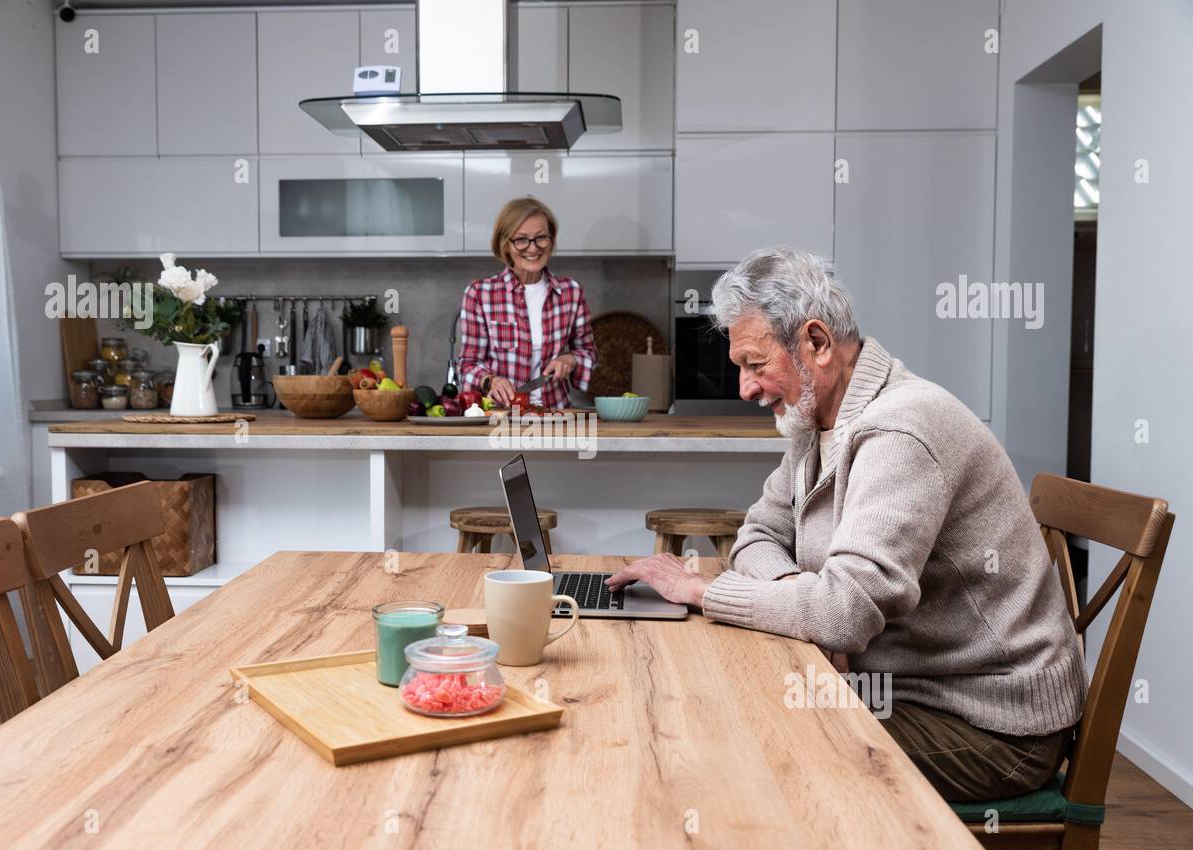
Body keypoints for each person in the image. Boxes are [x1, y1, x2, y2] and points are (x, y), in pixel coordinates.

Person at [605, 247, 1087, 802]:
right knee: (729, 712)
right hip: (901, 688)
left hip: (990, 724)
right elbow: (758, 536)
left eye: (755, 365)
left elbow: (844, 612)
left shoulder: (901, 430)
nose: (745, 389)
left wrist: (704, 590)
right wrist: (796, 595)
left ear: (816, 344)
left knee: (753, 749)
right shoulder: (816, 421)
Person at [458, 197, 597, 410]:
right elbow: (467, 365)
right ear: (505, 244)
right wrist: (490, 380)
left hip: (555, 417)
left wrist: (570, 359)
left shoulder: (571, 293)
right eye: (521, 240)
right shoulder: (480, 294)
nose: (533, 249)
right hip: (499, 418)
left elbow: (588, 352)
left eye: (541, 238)